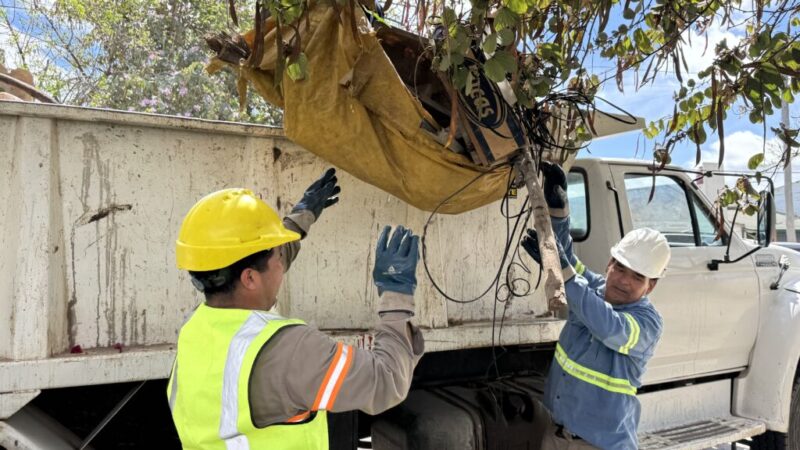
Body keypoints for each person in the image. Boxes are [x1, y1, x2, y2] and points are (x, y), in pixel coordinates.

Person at [167, 168, 425, 449]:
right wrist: (396, 294)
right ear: (249, 278)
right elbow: (385, 381)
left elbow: (253, 263)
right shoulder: (289, 349)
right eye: (278, 252)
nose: (283, 259)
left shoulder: (196, 329)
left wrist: (301, 218)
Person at [522, 163, 671, 450]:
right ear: (609, 264)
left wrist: (560, 268)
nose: (624, 281)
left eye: (637, 276)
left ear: (650, 286)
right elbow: (564, 256)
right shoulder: (593, 287)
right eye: (620, 268)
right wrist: (559, 209)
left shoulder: (648, 323)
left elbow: (609, 326)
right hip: (557, 435)